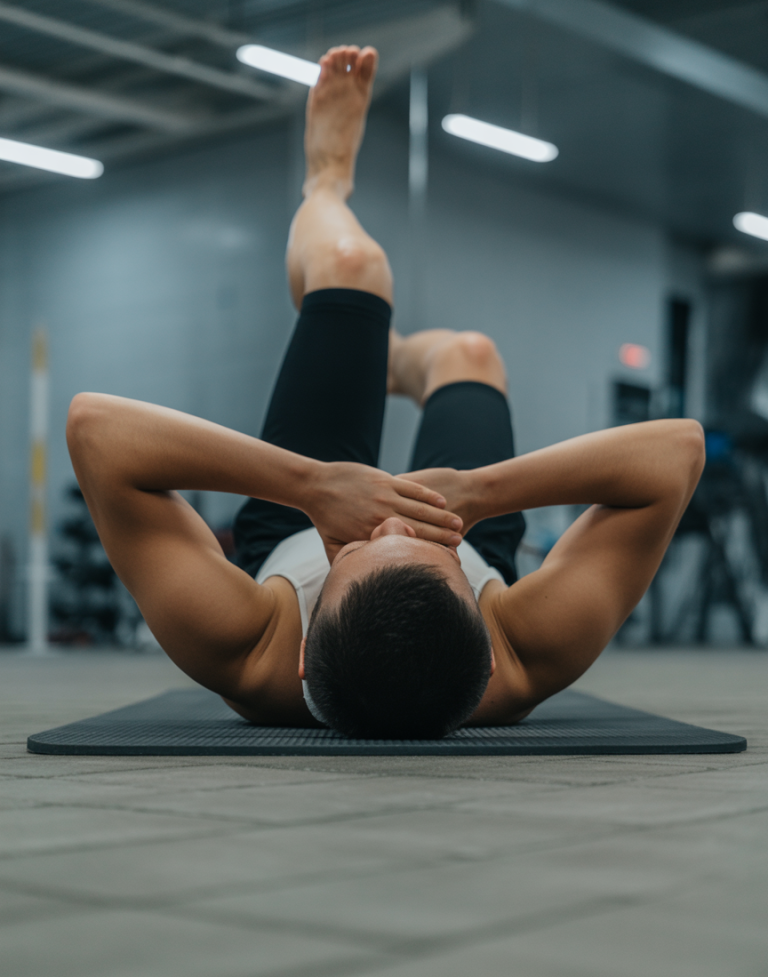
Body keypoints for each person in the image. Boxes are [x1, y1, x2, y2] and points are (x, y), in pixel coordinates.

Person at [67, 45, 705, 739]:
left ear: (305, 654)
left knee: (353, 268)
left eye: (361, 548)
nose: (387, 516)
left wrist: (314, 488)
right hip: (471, 524)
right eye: (423, 545)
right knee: (471, 353)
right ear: (488, 649)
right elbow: (677, 450)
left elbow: (96, 430)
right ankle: (390, 361)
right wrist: (476, 498)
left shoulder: (249, 650)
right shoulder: (526, 650)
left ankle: (327, 189)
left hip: (294, 521)